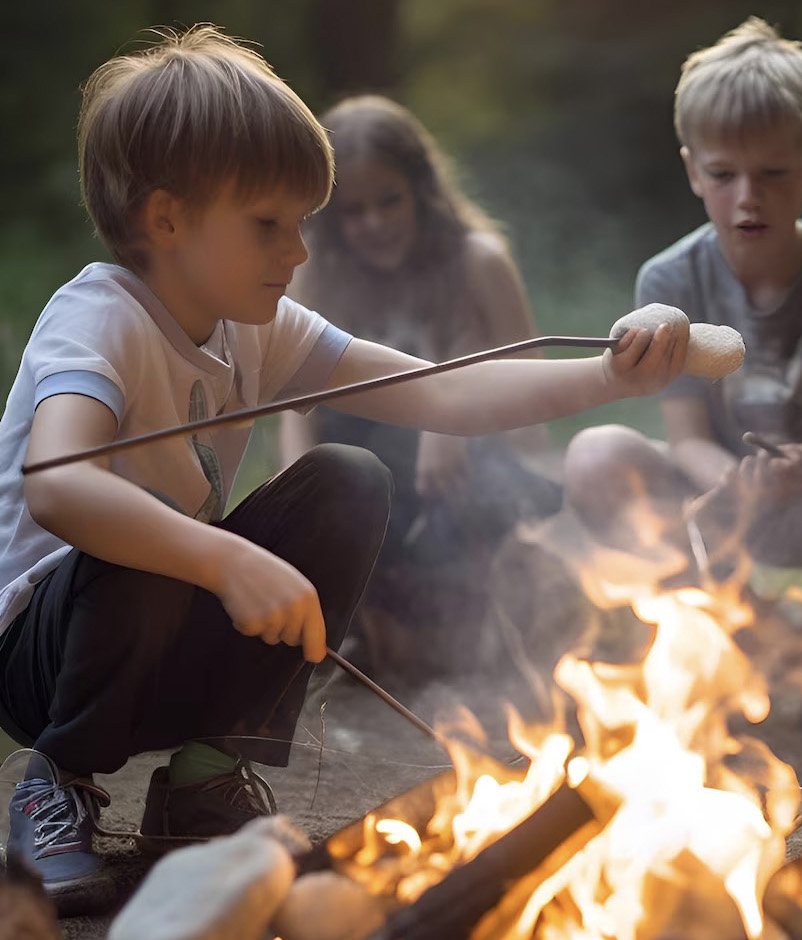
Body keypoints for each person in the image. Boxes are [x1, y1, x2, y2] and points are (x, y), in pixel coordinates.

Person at [0, 26, 684, 914]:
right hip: (40, 655)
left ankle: (206, 778)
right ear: (167, 219)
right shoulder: (99, 321)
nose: (299, 253)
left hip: (159, 639)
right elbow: (60, 483)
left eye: (300, 224)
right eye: (268, 225)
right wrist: (225, 558)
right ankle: (57, 780)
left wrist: (607, 374)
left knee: (347, 478)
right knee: (142, 539)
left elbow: (442, 395)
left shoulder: (257, 327)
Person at [562, 17, 802, 732]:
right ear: (694, 170)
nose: (747, 198)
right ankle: (718, 632)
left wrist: (797, 469)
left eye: (774, 175)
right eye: (724, 176)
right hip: (711, 495)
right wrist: (731, 480)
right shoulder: (670, 276)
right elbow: (684, 431)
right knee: (595, 451)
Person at [280, 95, 561, 678]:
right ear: (330, 216)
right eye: (354, 211)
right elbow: (298, 410)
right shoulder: (316, 275)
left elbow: (534, 401)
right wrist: (292, 512)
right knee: (351, 450)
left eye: (390, 201)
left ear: (421, 192)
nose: (375, 224)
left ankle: (472, 611)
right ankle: (374, 621)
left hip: (474, 477)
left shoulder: (477, 262)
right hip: (376, 487)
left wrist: (454, 417)